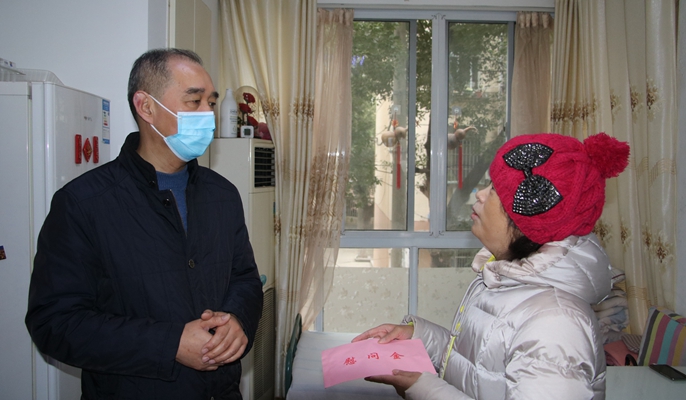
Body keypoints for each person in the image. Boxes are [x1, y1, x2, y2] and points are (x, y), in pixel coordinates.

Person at [25, 48, 263, 399]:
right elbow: (55, 323)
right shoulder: (83, 204)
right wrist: (169, 343)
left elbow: (245, 278)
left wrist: (238, 320)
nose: (208, 115)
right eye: (194, 101)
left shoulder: (223, 195)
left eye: (211, 103)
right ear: (146, 106)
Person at [353, 132, 630, 399]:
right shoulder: (504, 276)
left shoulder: (556, 324)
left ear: (529, 217)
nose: (480, 194)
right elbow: (478, 366)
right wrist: (419, 338)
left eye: (495, 189)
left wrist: (423, 388)